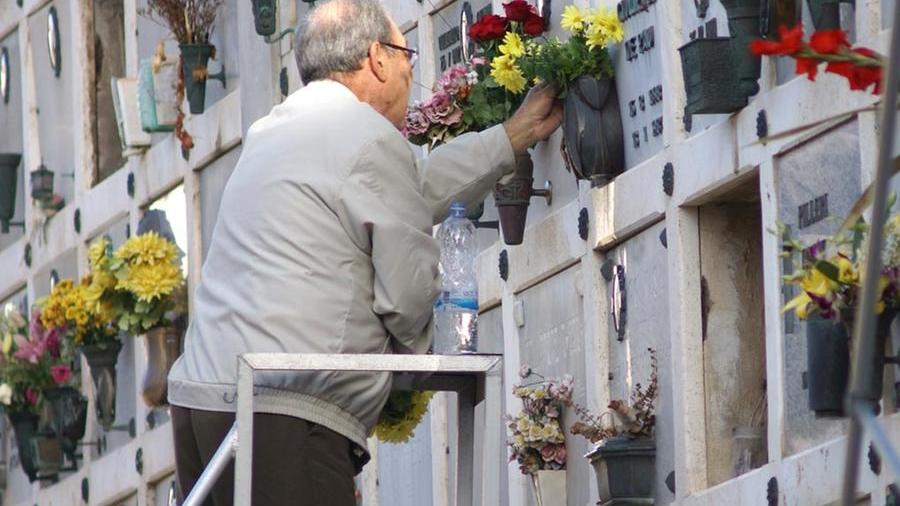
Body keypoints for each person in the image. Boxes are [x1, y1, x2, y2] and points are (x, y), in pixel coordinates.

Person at [166, 0, 563, 504]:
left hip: (204, 405)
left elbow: (408, 193)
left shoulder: (277, 130)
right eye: (405, 54)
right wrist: (402, 354)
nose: (410, 68)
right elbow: (409, 298)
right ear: (377, 57)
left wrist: (512, 137)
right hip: (283, 413)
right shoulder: (367, 138)